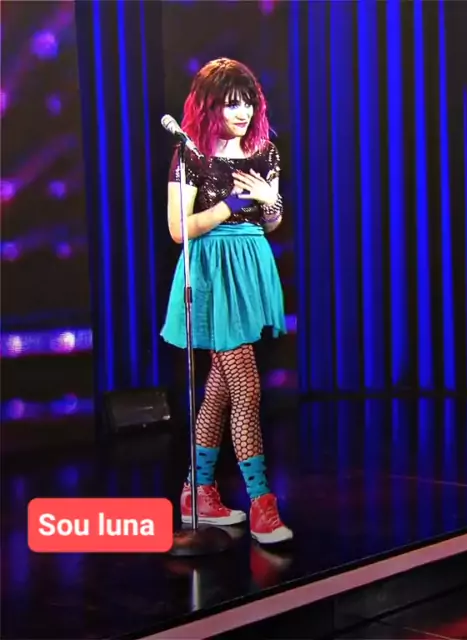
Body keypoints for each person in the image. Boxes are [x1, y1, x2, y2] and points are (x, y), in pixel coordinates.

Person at [161, 58, 292, 545]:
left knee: (219, 389)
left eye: (248, 102)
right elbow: (179, 230)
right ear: (209, 106)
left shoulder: (265, 152)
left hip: (252, 264)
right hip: (213, 271)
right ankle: (261, 501)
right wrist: (228, 206)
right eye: (231, 103)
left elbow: (272, 221)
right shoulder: (191, 155)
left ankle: (197, 493)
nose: (242, 112)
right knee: (246, 387)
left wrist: (269, 202)